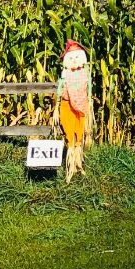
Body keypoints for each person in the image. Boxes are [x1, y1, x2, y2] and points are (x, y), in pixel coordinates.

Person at [55, 40, 91, 182]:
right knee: (69, 131)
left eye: (77, 57)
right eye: (71, 58)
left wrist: (89, 100)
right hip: (66, 105)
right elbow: (60, 90)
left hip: (81, 107)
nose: (74, 60)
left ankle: (78, 163)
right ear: (66, 61)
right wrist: (57, 104)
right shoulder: (65, 75)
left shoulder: (85, 74)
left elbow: (89, 89)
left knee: (79, 130)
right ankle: (70, 165)